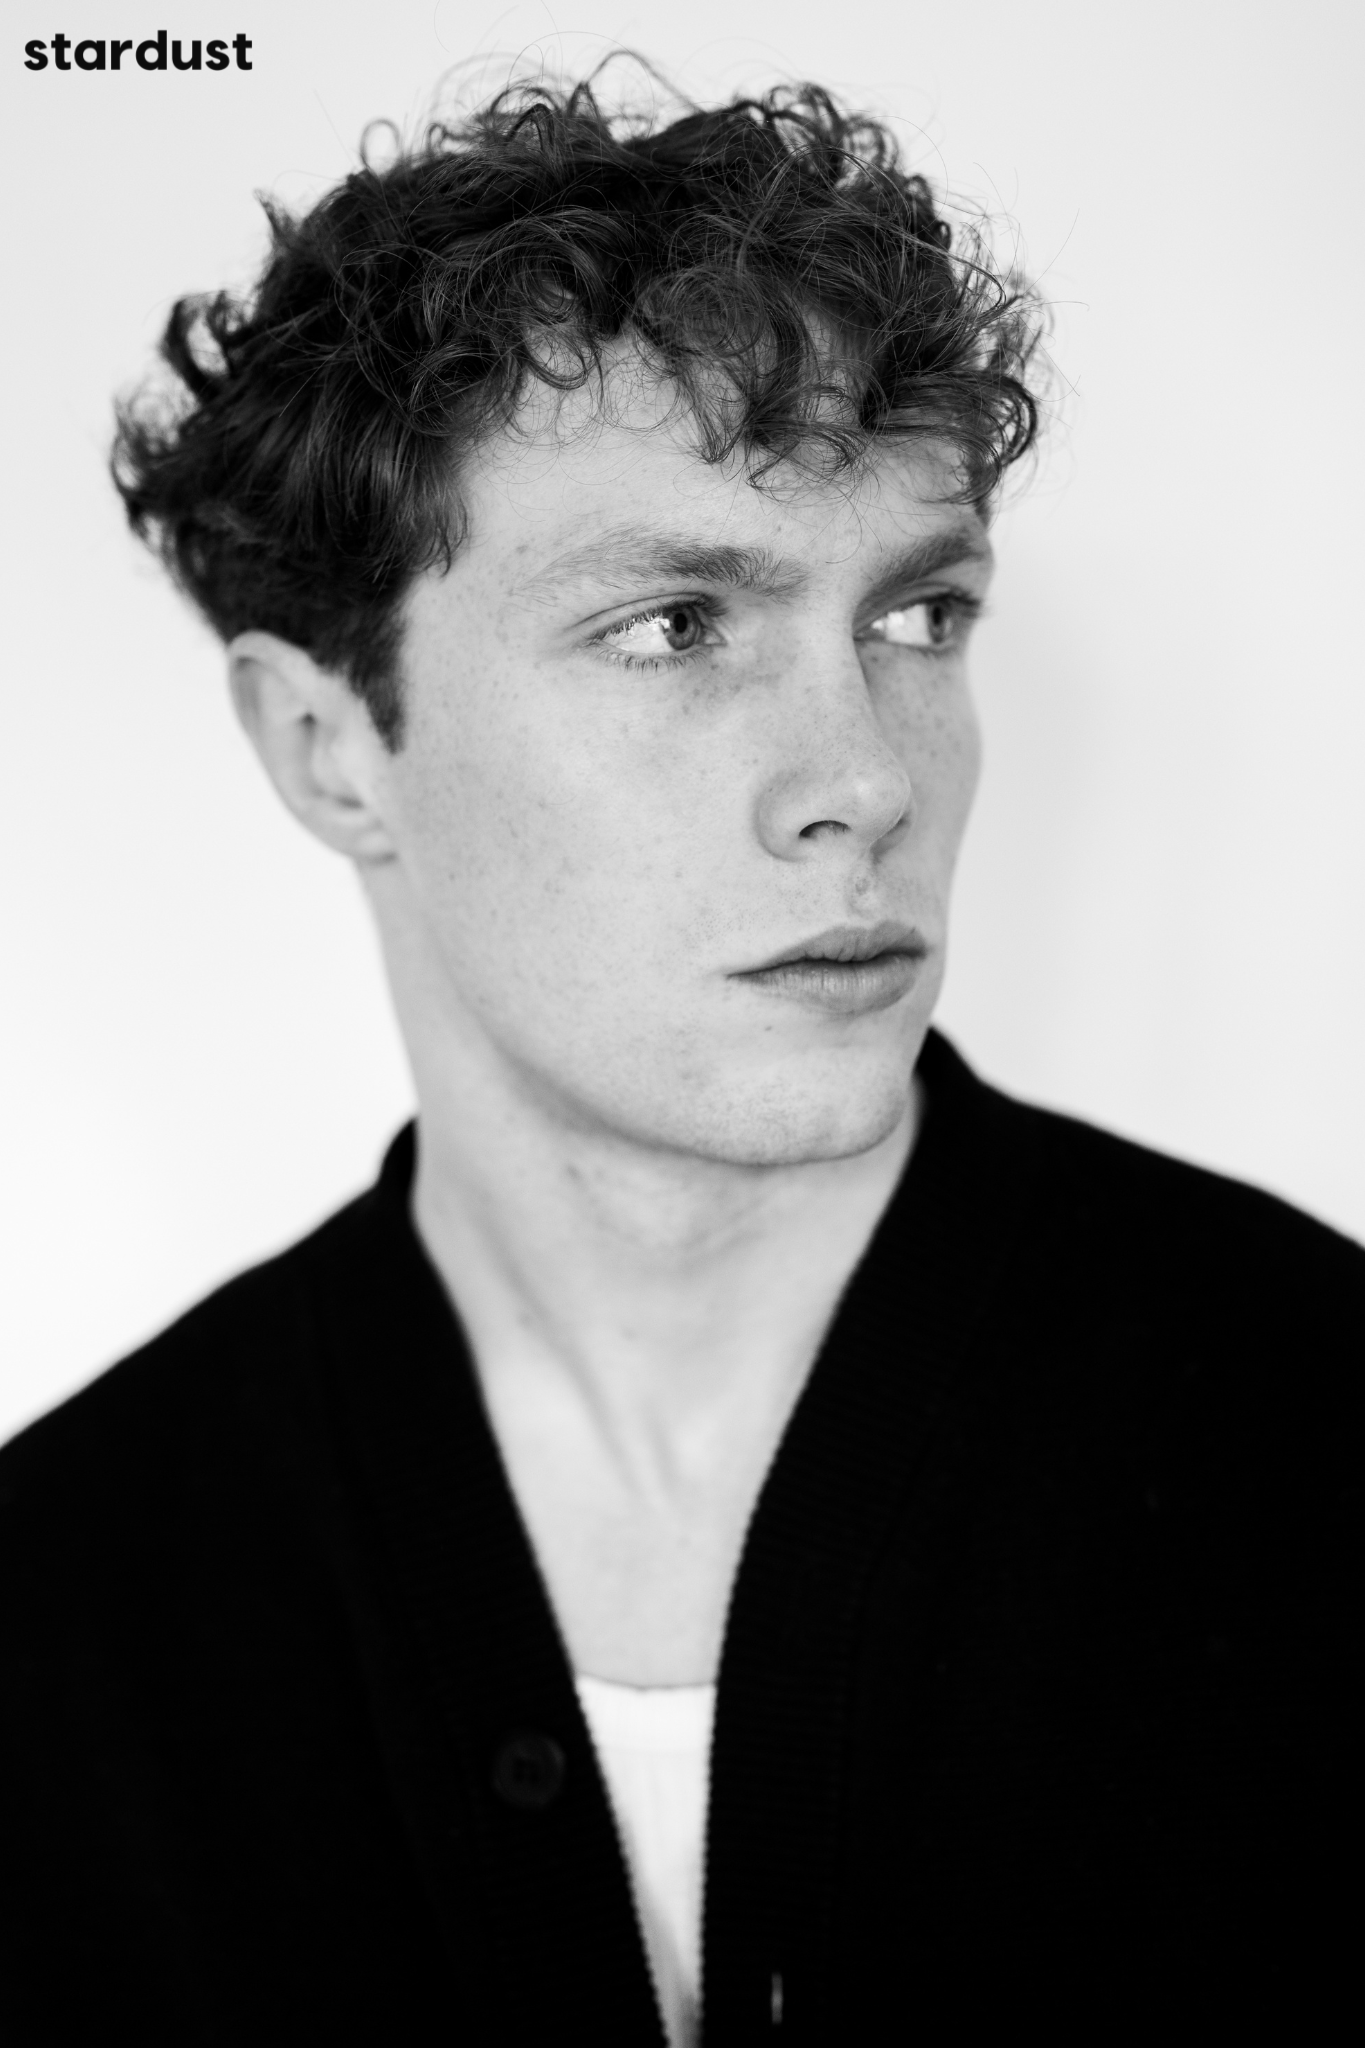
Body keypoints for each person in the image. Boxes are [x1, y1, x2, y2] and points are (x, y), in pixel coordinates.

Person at [1, 71, 1358, 2043]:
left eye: (921, 612)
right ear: (326, 745)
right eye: (671, 627)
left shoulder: (1325, 1442)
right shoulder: (63, 1628)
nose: (866, 779)